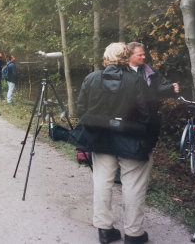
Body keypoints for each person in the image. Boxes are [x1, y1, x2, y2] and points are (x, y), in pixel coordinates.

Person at [69, 42, 152, 244]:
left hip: (101, 139)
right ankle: (134, 234)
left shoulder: (92, 78)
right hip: (131, 141)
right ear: (126, 57)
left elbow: (81, 109)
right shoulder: (137, 80)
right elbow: (146, 114)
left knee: (102, 182)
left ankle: (105, 230)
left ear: (106, 57)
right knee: (133, 184)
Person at [126, 42, 179, 146]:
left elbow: (160, 86)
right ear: (129, 55)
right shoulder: (121, 71)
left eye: (144, 54)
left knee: (147, 149)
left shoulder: (150, 71)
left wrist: (171, 87)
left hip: (148, 118)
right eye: (140, 55)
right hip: (128, 119)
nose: (144, 57)